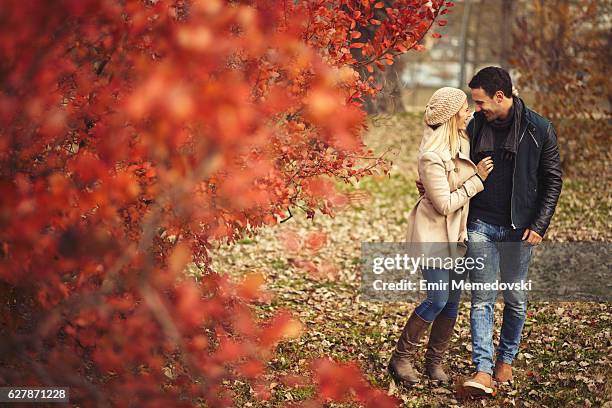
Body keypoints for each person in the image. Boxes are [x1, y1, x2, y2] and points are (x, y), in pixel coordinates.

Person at [443, 67, 562, 396]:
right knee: (481, 300)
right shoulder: (475, 125)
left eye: (480, 102)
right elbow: (452, 160)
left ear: (500, 96)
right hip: (479, 224)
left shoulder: (539, 129)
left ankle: (505, 361)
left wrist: (539, 225)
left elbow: (553, 181)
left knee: (515, 300)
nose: (476, 108)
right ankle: (482, 371)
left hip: (519, 230)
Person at [388, 87, 494, 386]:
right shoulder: (431, 156)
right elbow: (444, 203)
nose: (469, 114)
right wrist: (478, 181)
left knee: (451, 302)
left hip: (457, 237)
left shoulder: (462, 142)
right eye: (464, 109)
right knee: (437, 299)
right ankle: (401, 357)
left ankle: (434, 363)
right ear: (451, 115)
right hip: (435, 235)